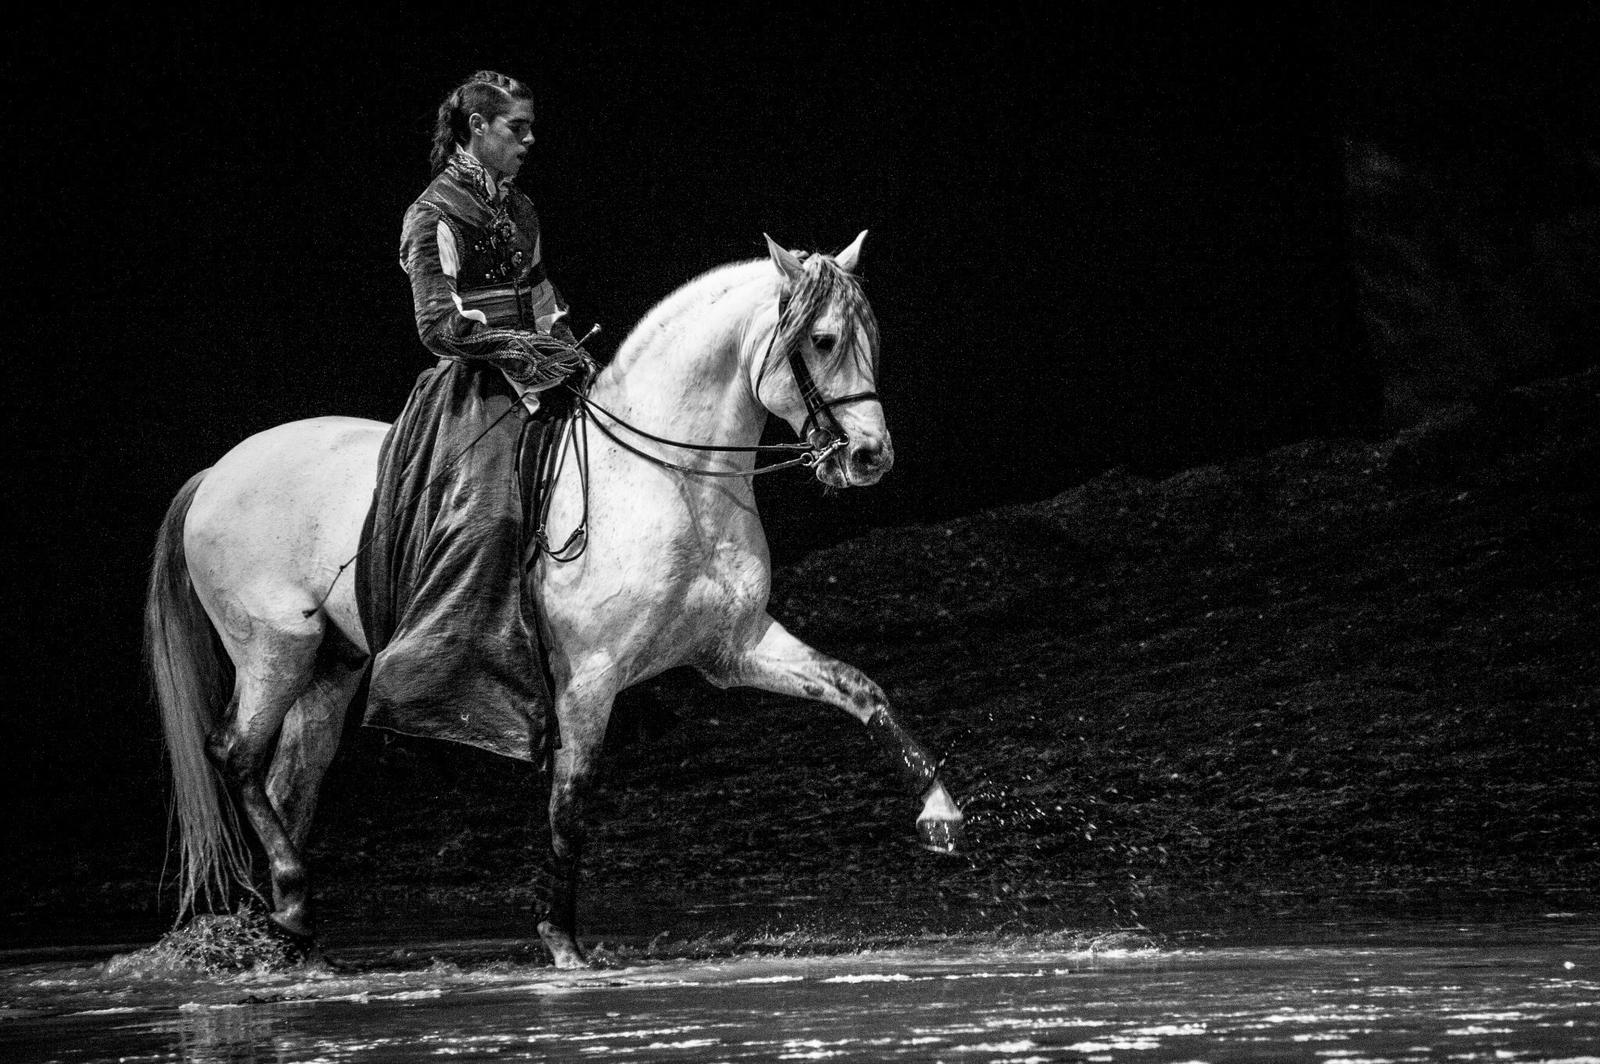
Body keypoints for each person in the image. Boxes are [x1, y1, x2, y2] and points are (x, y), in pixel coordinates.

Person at [357, 70, 589, 762]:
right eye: (517, 129)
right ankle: (436, 684)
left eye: (530, 128)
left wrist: (568, 348)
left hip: (540, 369)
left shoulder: (520, 210)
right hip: (474, 387)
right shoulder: (432, 213)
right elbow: (437, 323)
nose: (529, 141)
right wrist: (518, 348)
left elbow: (542, 295)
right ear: (476, 130)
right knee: (493, 517)